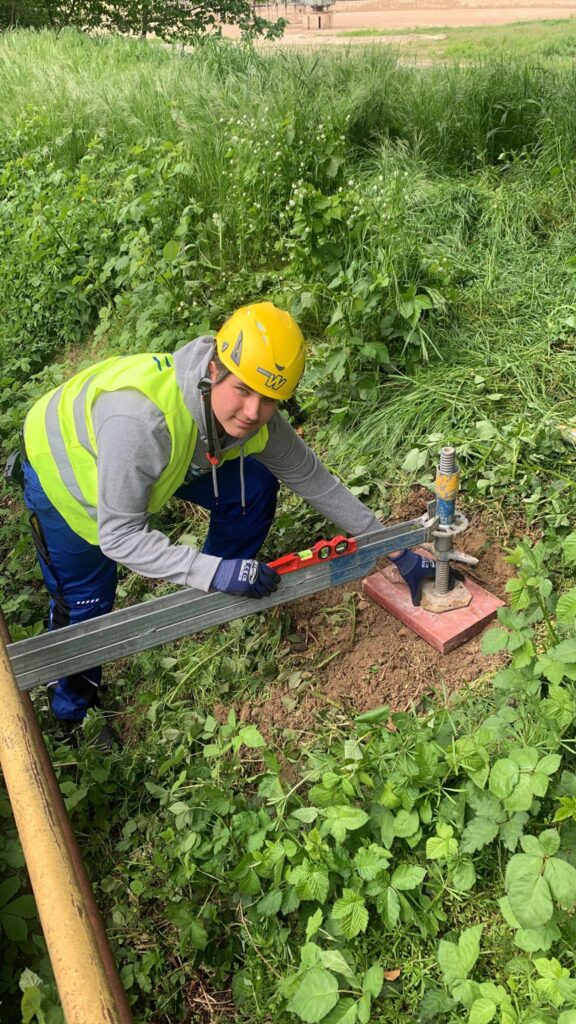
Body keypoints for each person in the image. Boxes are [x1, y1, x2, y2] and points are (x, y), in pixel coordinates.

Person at [20, 301, 440, 746]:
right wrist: (213, 571)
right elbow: (120, 535)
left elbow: (315, 481)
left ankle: (212, 591)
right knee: (87, 602)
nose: (252, 412)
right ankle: (72, 713)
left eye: (269, 399)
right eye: (243, 390)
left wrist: (394, 548)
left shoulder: (249, 413)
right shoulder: (141, 423)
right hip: (68, 476)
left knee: (252, 486)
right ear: (215, 368)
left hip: (167, 458)